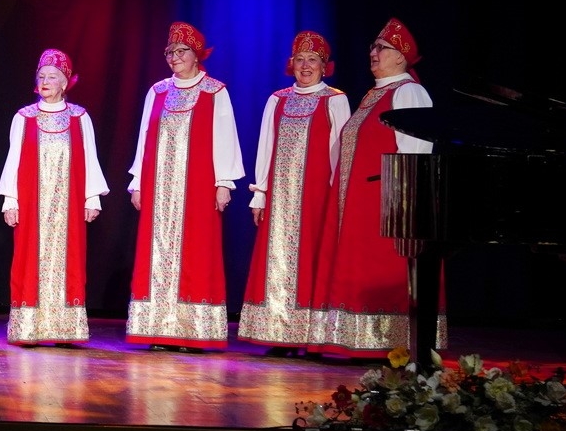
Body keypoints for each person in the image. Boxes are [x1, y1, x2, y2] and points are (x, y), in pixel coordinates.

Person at [308, 18, 441, 360]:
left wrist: (402, 203)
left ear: (401, 56)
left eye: (382, 47)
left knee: (383, 269)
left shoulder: (408, 91)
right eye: (373, 46)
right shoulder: (374, 94)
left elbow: (415, 153)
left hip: (385, 203)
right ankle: (360, 340)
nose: (374, 52)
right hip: (359, 202)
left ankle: (389, 340)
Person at [126, 21, 244, 352]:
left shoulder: (214, 91)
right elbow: (145, 138)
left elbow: (225, 138)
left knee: (197, 252)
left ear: (197, 55)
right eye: (170, 52)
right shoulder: (158, 91)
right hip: (160, 188)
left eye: (182, 51)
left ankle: (192, 331)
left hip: (198, 187)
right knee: (157, 254)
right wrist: (138, 181)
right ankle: (157, 329)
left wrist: (224, 183)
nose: (174, 57)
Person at [237, 31, 351, 355]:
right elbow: (265, 148)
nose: (305, 65)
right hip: (279, 198)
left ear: (325, 65)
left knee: (313, 262)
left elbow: (341, 151)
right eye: (299, 59)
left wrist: (338, 197)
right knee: (276, 262)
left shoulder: (335, 100)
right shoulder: (278, 99)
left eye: (312, 59)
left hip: (317, 197)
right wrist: (259, 194)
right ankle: (278, 332)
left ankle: (310, 335)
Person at [0, 48, 110, 347]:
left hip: (68, 205)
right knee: (27, 259)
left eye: (53, 77)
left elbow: (89, 157)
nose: (46, 81)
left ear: (65, 82)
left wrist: (92, 198)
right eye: (42, 76)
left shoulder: (79, 117)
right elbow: (13, 159)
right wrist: (10, 200)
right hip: (31, 203)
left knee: (71, 259)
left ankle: (65, 329)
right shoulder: (24, 117)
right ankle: (29, 328)